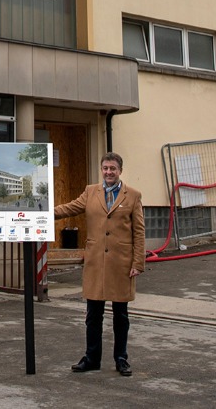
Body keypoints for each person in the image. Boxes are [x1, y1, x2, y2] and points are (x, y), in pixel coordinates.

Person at [54, 152, 145, 377]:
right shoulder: (90, 192)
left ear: (120, 170)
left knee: (120, 315)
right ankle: (92, 358)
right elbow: (70, 208)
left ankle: (121, 359)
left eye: (112, 168)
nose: (108, 172)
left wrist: (138, 262)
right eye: (105, 168)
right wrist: (44, 213)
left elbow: (139, 232)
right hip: (95, 262)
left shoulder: (132, 196)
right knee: (93, 314)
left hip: (121, 264)